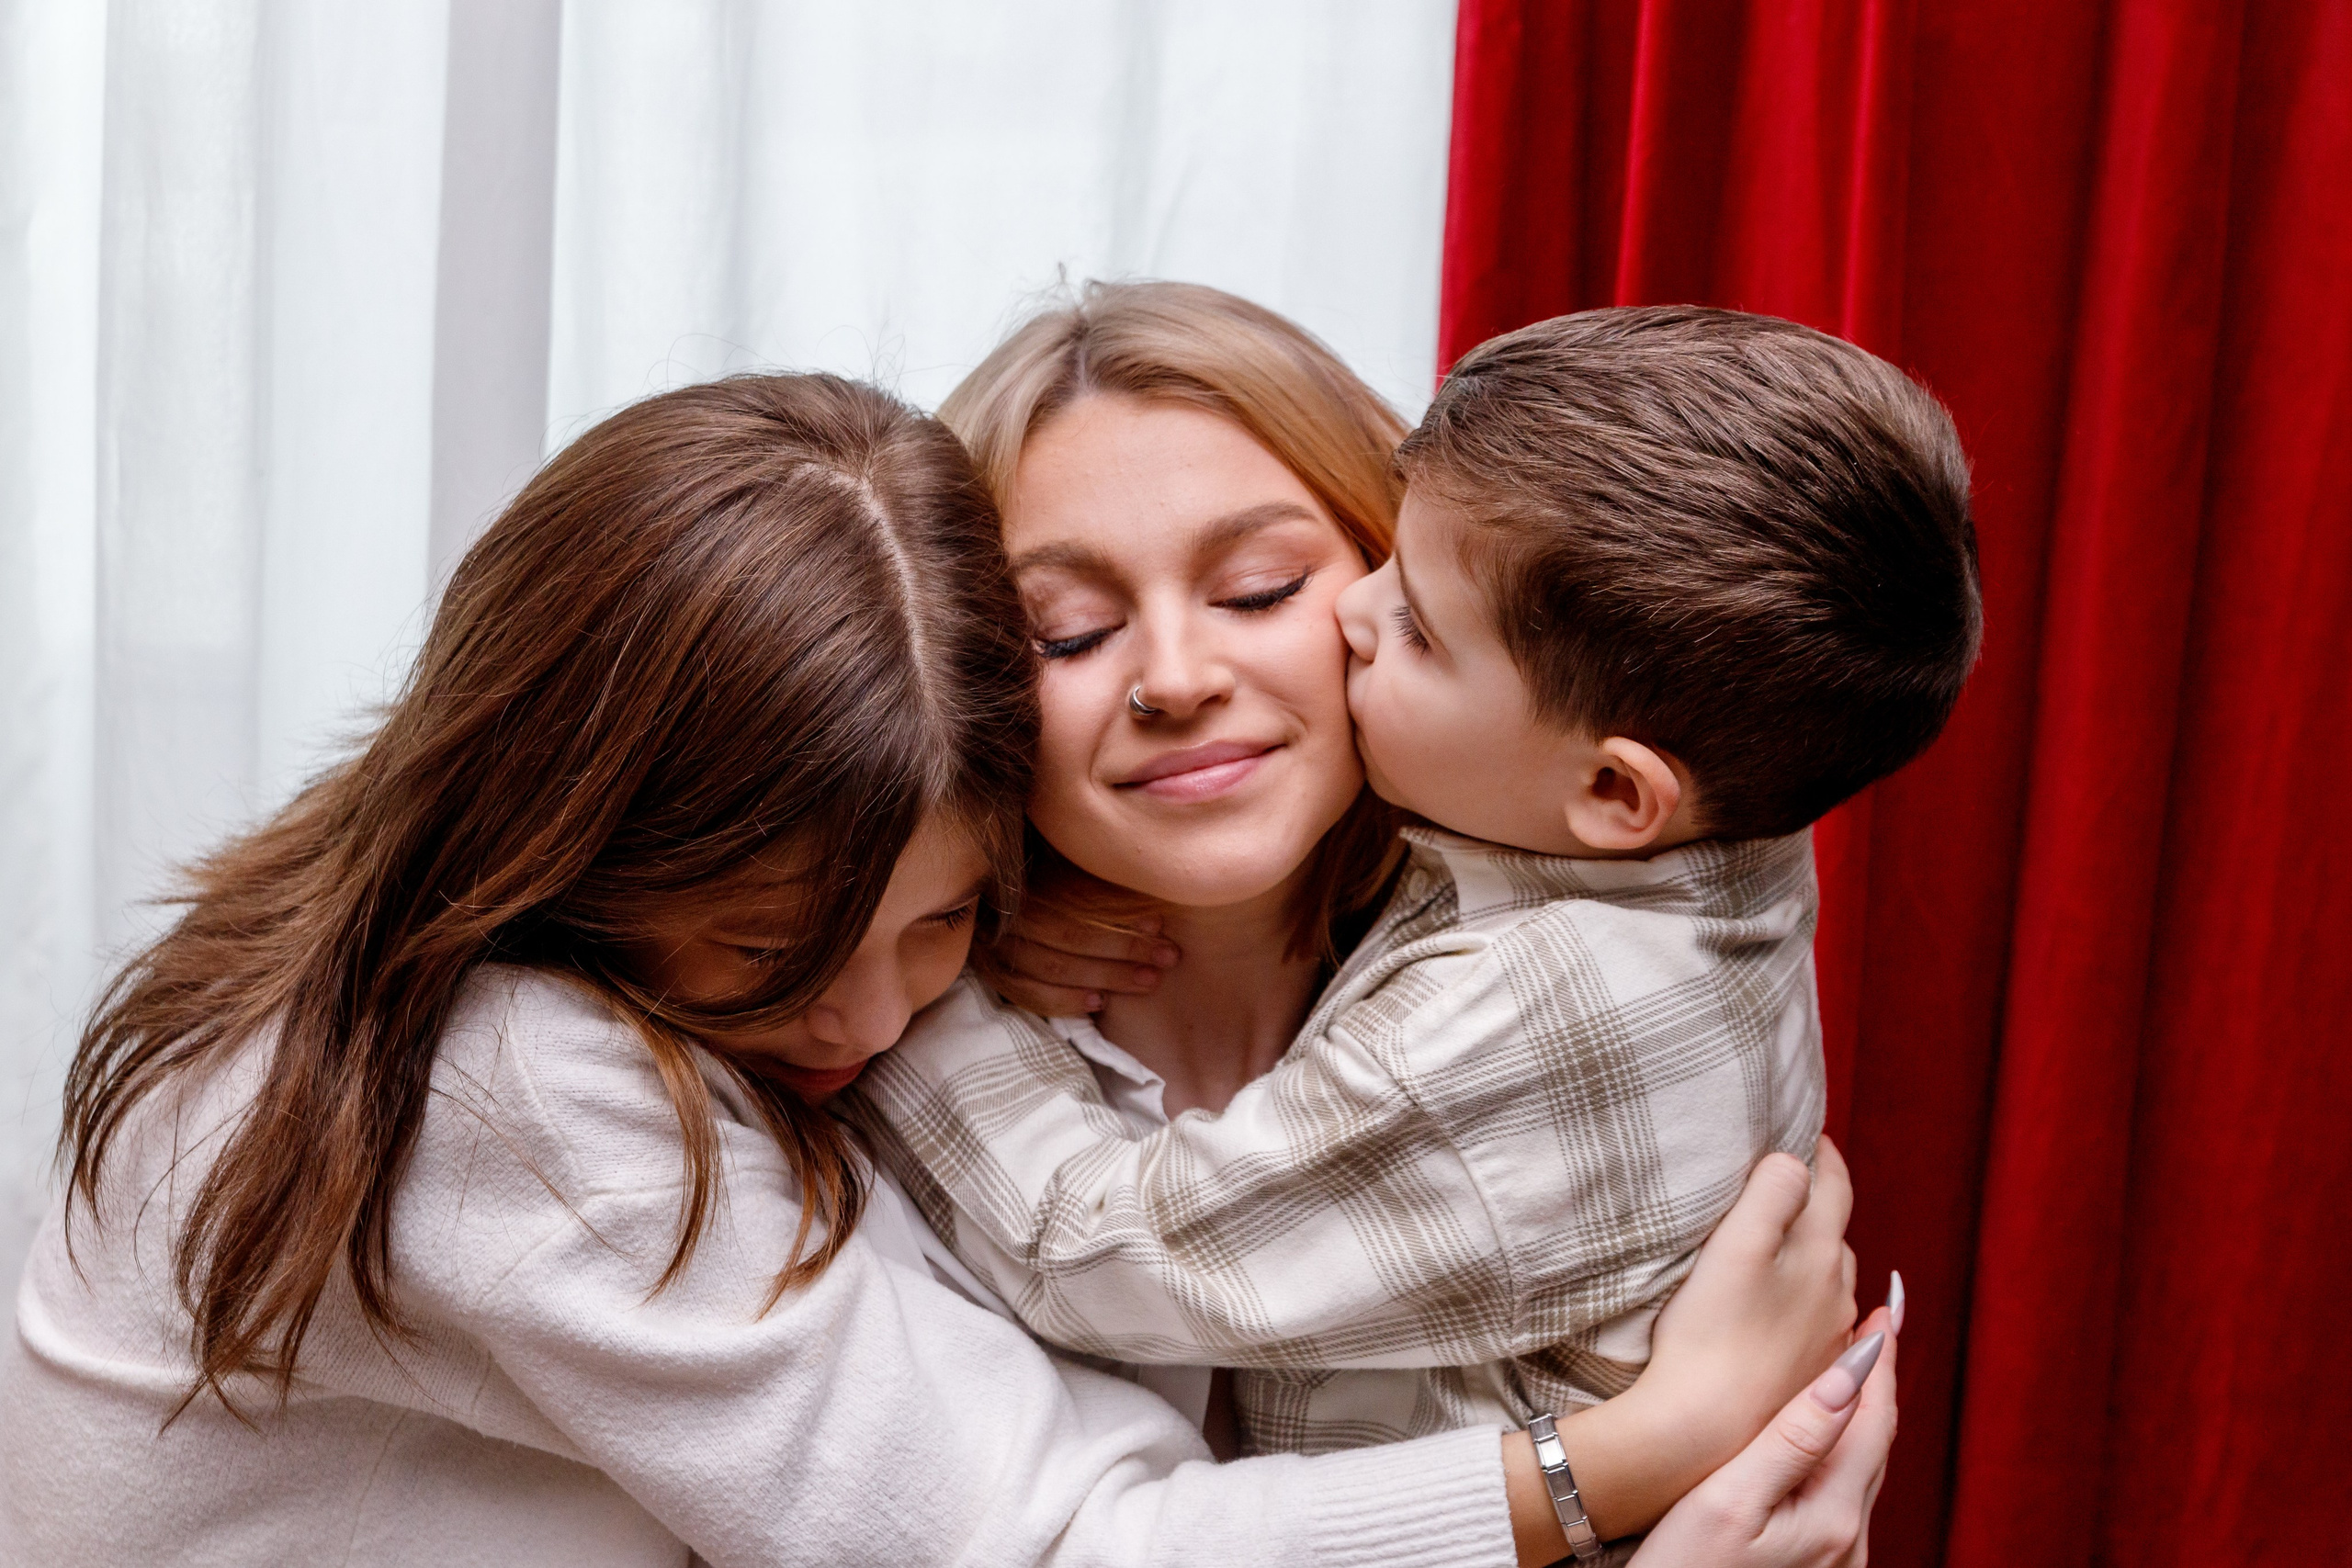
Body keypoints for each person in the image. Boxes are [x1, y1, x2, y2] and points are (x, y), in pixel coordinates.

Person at [1, 369, 1887, 1568]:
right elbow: (1054, 1542)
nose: (859, 1018)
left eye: (1260, 588)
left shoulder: (1499, 981)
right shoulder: (531, 1076)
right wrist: (1622, 1464)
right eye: (1070, 624)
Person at [845, 284, 1928, 1552]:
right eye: (1068, 634)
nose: (1179, 679)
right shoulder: (836, 1081)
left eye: (1259, 591)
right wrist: (925, 949)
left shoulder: (1543, 980)